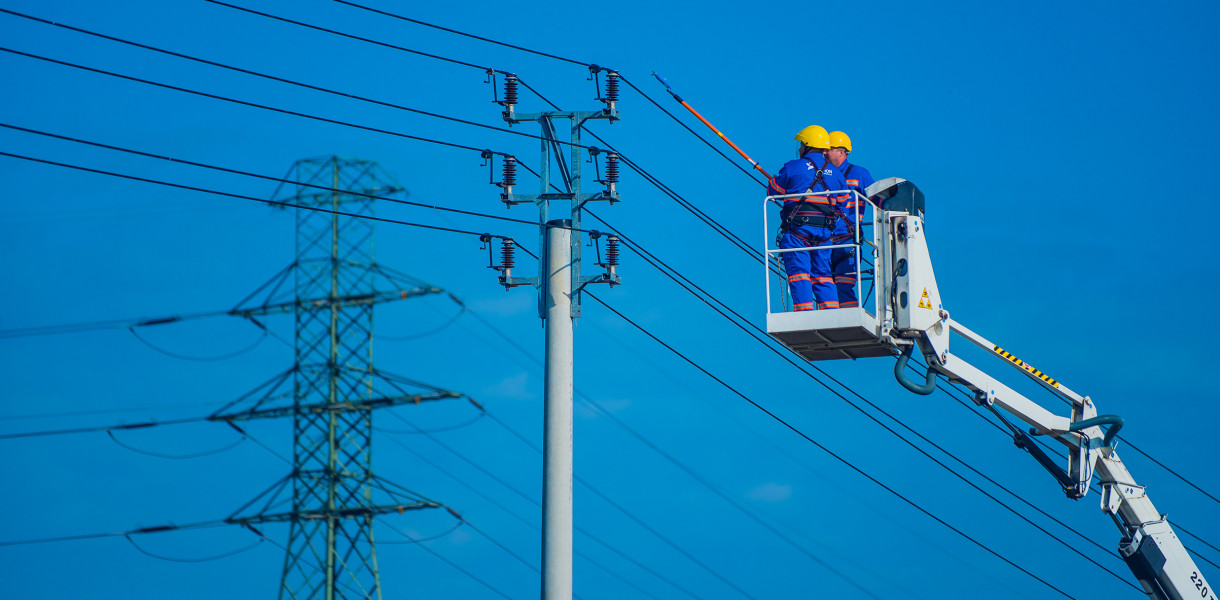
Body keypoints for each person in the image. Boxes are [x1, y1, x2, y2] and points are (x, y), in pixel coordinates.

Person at [768, 125, 848, 311]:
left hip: (798, 231)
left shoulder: (792, 167)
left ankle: (804, 312)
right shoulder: (836, 173)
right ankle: (831, 312)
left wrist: (774, 180)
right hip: (824, 233)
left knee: (799, 273)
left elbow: (773, 192)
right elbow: (843, 203)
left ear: (806, 145)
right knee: (823, 274)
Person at [826, 130, 875, 309]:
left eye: (829, 148)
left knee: (843, 286)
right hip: (824, 241)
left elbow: (878, 200)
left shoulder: (859, 174)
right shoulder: (823, 175)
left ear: (841, 151)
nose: (824, 152)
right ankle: (830, 320)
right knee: (824, 287)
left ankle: (848, 317)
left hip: (847, 242)